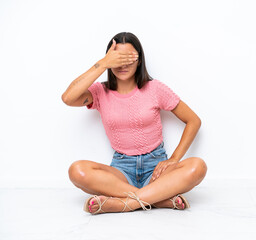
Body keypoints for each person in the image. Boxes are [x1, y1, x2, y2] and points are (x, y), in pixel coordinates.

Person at [61, 32, 207, 214]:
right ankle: (158, 199)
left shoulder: (155, 88)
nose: (123, 64)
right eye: (117, 58)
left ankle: (126, 204)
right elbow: (68, 98)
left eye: (129, 58)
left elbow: (193, 120)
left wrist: (174, 159)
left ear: (139, 60)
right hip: (121, 171)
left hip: (157, 169)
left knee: (198, 167)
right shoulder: (99, 92)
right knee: (77, 171)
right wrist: (103, 63)